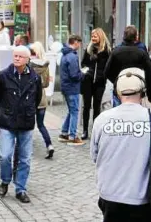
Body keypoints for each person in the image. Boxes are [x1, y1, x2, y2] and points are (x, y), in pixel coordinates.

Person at [90, 68, 151, 222]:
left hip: (110, 195)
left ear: (118, 92)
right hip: (142, 197)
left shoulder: (102, 119)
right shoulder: (148, 117)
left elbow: (94, 156)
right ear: (143, 92)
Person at [0, 46, 42, 203]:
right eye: (15, 56)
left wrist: (29, 111)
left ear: (28, 59)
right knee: (5, 155)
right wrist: (3, 112)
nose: (17, 58)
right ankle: (5, 180)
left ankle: (20, 188)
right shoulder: (3, 76)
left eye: (20, 56)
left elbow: (37, 98)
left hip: (26, 122)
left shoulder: (35, 78)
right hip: (7, 121)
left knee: (25, 158)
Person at [105, 25, 151, 107]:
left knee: (118, 114)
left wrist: (116, 80)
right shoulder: (141, 53)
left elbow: (106, 72)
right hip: (136, 88)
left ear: (123, 36)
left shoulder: (116, 52)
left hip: (120, 89)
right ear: (136, 38)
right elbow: (149, 72)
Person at [80, 28, 111, 140]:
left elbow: (109, 66)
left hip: (100, 82)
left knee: (97, 107)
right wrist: (88, 70)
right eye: (92, 36)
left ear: (100, 37)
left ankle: (95, 130)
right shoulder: (89, 49)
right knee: (86, 106)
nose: (93, 38)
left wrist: (103, 75)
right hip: (88, 81)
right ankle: (84, 131)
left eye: (95, 36)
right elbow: (83, 63)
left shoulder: (107, 50)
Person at [29, 42, 54, 159]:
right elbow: (46, 83)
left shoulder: (28, 65)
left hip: (30, 99)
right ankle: (49, 145)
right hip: (42, 99)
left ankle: (27, 149)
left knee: (28, 125)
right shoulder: (45, 66)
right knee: (41, 125)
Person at [58, 35, 84, 145]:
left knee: (71, 110)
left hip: (65, 87)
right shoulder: (72, 57)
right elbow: (74, 75)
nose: (80, 45)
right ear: (75, 42)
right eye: (79, 43)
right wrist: (83, 74)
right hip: (72, 88)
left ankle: (64, 132)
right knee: (74, 112)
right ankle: (73, 136)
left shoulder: (64, 55)